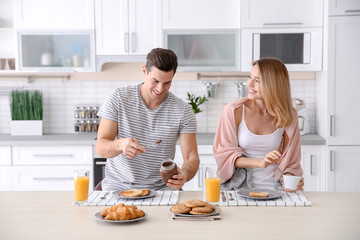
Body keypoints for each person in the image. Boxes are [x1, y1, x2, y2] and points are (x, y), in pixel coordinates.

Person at [96, 48, 200, 191]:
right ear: (144, 71)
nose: (160, 89)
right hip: (119, 187)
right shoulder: (118, 98)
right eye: (155, 81)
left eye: (167, 83)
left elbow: (191, 157)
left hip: (162, 189)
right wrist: (120, 145)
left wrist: (185, 173)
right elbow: (101, 147)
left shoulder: (183, 111)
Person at [213, 57, 303, 192]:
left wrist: (291, 179)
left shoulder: (289, 116)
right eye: (250, 77)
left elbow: (291, 162)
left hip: (276, 191)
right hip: (239, 190)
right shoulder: (234, 111)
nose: (249, 84)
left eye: (257, 81)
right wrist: (261, 162)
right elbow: (225, 155)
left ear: (273, 85)